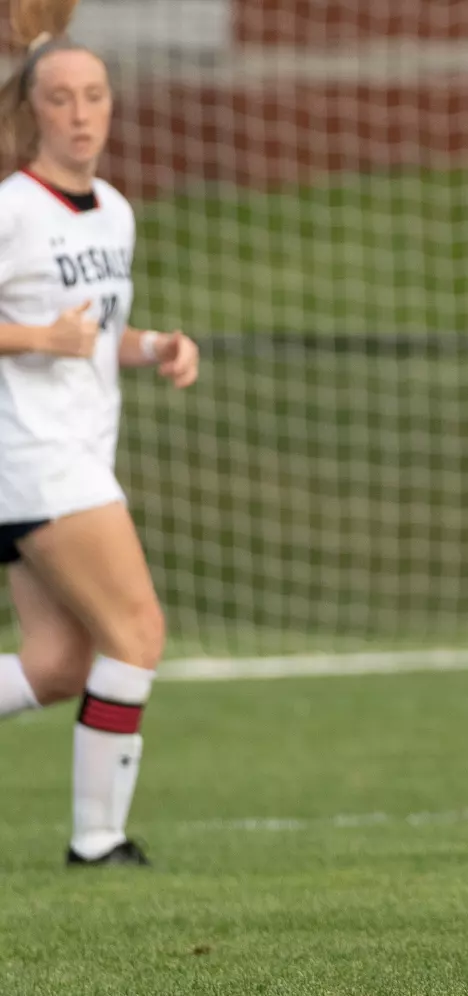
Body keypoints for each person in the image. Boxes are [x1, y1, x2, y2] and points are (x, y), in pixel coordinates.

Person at [0, 0, 202, 867]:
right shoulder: (12, 207)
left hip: (70, 453)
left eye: (95, 96)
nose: (81, 114)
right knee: (139, 632)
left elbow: (94, 331)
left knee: (51, 666)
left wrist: (151, 344)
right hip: (37, 457)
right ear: (30, 111)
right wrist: (40, 338)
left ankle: (96, 838)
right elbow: (51, 333)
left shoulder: (114, 211)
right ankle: (98, 842)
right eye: (61, 99)